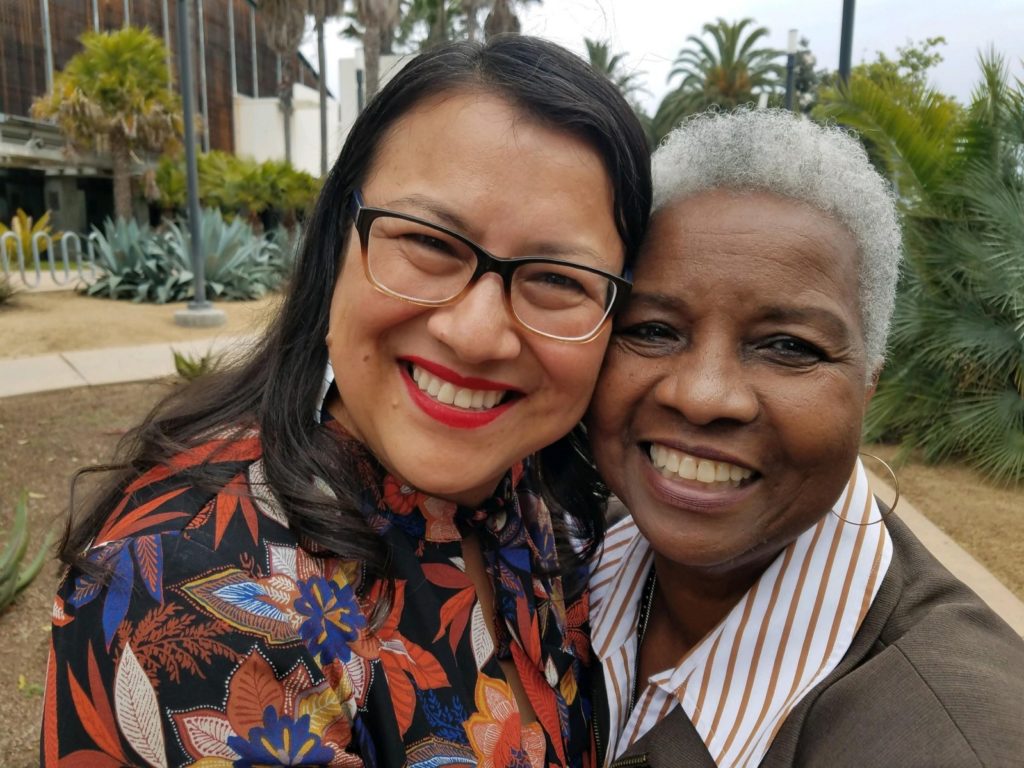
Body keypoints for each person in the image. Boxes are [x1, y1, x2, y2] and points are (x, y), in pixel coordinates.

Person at [42, 36, 651, 767]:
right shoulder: (201, 593)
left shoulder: (538, 503)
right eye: (429, 242)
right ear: (337, 245)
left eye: (558, 279)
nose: (478, 334)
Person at [587, 109, 1024, 768]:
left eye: (789, 346)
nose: (704, 395)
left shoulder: (957, 734)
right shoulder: (568, 561)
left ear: (867, 384)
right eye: (652, 328)